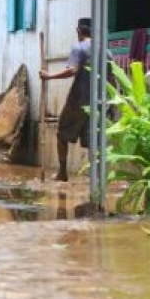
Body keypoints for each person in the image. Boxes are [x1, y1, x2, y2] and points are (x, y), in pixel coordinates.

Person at [39, 17, 92, 182]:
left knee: (62, 133)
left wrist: (49, 76)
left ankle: (62, 173)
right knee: (93, 141)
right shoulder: (106, 50)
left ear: (79, 32)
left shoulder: (80, 46)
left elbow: (72, 71)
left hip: (79, 100)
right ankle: (96, 179)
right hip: (99, 102)